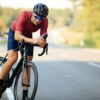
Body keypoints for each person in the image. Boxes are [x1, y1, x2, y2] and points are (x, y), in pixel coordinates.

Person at [0, 3, 49, 100]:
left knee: (28, 62)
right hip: (15, 33)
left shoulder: (45, 21)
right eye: (36, 17)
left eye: (41, 18)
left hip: (28, 35)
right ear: (32, 13)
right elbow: (17, 37)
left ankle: (25, 95)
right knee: (13, 58)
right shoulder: (24, 15)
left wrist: (43, 42)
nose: (38, 20)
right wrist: (34, 40)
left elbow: (43, 35)